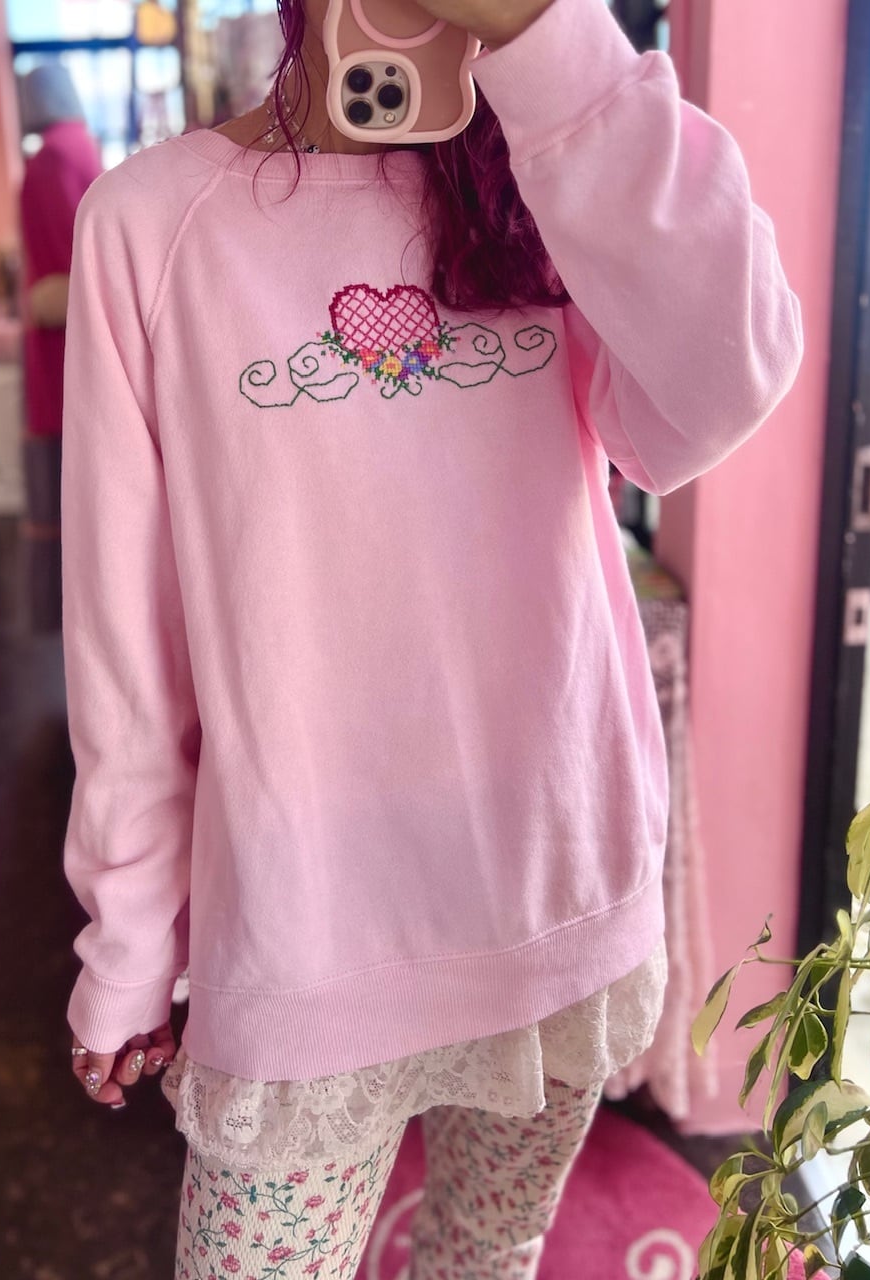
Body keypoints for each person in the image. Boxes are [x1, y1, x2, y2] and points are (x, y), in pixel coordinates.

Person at [59, 0, 804, 1274]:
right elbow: (128, 643)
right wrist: (132, 941)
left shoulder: (558, 178)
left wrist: (545, 40)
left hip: (553, 878)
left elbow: (728, 373)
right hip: (308, 920)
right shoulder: (151, 223)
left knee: (486, 1249)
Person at [17, 63, 103, 634]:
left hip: (59, 340)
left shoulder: (51, 158)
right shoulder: (81, 147)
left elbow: (67, 265)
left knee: (62, 484)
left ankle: (67, 614)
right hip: (77, 333)